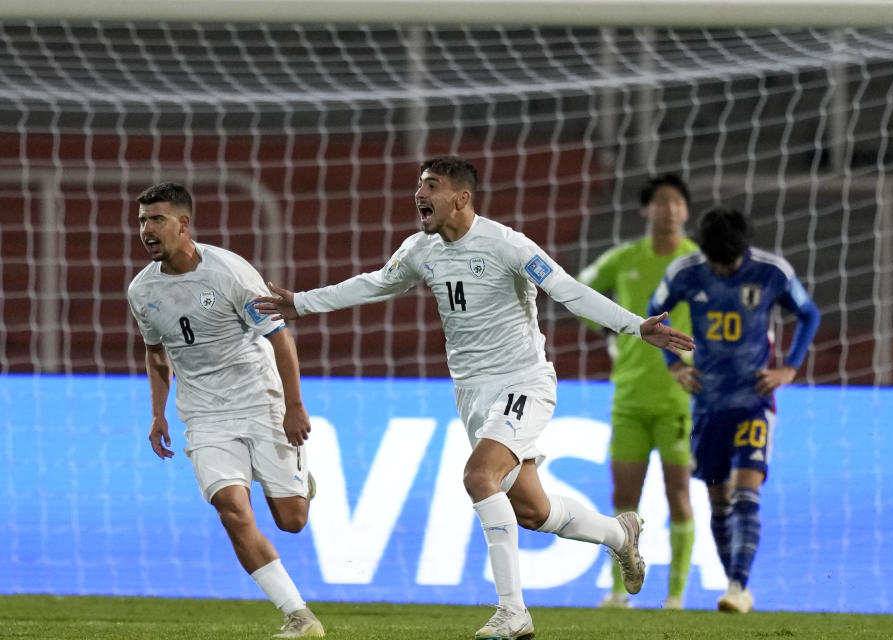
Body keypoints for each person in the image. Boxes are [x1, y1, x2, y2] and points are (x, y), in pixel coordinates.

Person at [255, 155, 695, 640]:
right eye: (419, 185)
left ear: (462, 198)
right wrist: (303, 303)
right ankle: (620, 534)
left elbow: (568, 290)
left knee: (478, 476)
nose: (419, 194)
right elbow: (377, 284)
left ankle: (513, 613)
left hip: (524, 382)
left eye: (432, 185)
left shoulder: (508, 244)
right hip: (471, 393)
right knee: (533, 510)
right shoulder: (420, 249)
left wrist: (635, 326)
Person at [126, 182, 325, 638]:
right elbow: (156, 354)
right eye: (141, 220)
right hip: (204, 414)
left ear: (183, 223)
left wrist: (294, 405)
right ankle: (299, 616)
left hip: (260, 401)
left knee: (291, 521)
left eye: (156, 219)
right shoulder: (142, 291)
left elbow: (279, 337)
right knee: (232, 510)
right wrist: (158, 415)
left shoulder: (230, 273)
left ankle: (301, 485)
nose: (146, 229)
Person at [647, 207, 820, 613]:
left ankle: (740, 586)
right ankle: (733, 583)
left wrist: (789, 368)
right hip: (707, 403)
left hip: (754, 400)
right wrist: (675, 367)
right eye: (716, 263)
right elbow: (652, 321)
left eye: (730, 263)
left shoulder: (771, 271)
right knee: (719, 501)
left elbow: (809, 313)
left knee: (746, 493)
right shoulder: (684, 272)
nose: (722, 271)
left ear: (744, 251)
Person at [577, 175, 699, 610]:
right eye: (663, 202)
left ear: (686, 210)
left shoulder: (696, 262)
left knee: (678, 496)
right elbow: (579, 288)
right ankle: (617, 591)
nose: (671, 210)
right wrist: (609, 333)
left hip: (677, 399)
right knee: (623, 499)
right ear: (646, 209)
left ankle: (677, 596)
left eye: (678, 203)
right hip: (628, 396)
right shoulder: (624, 258)